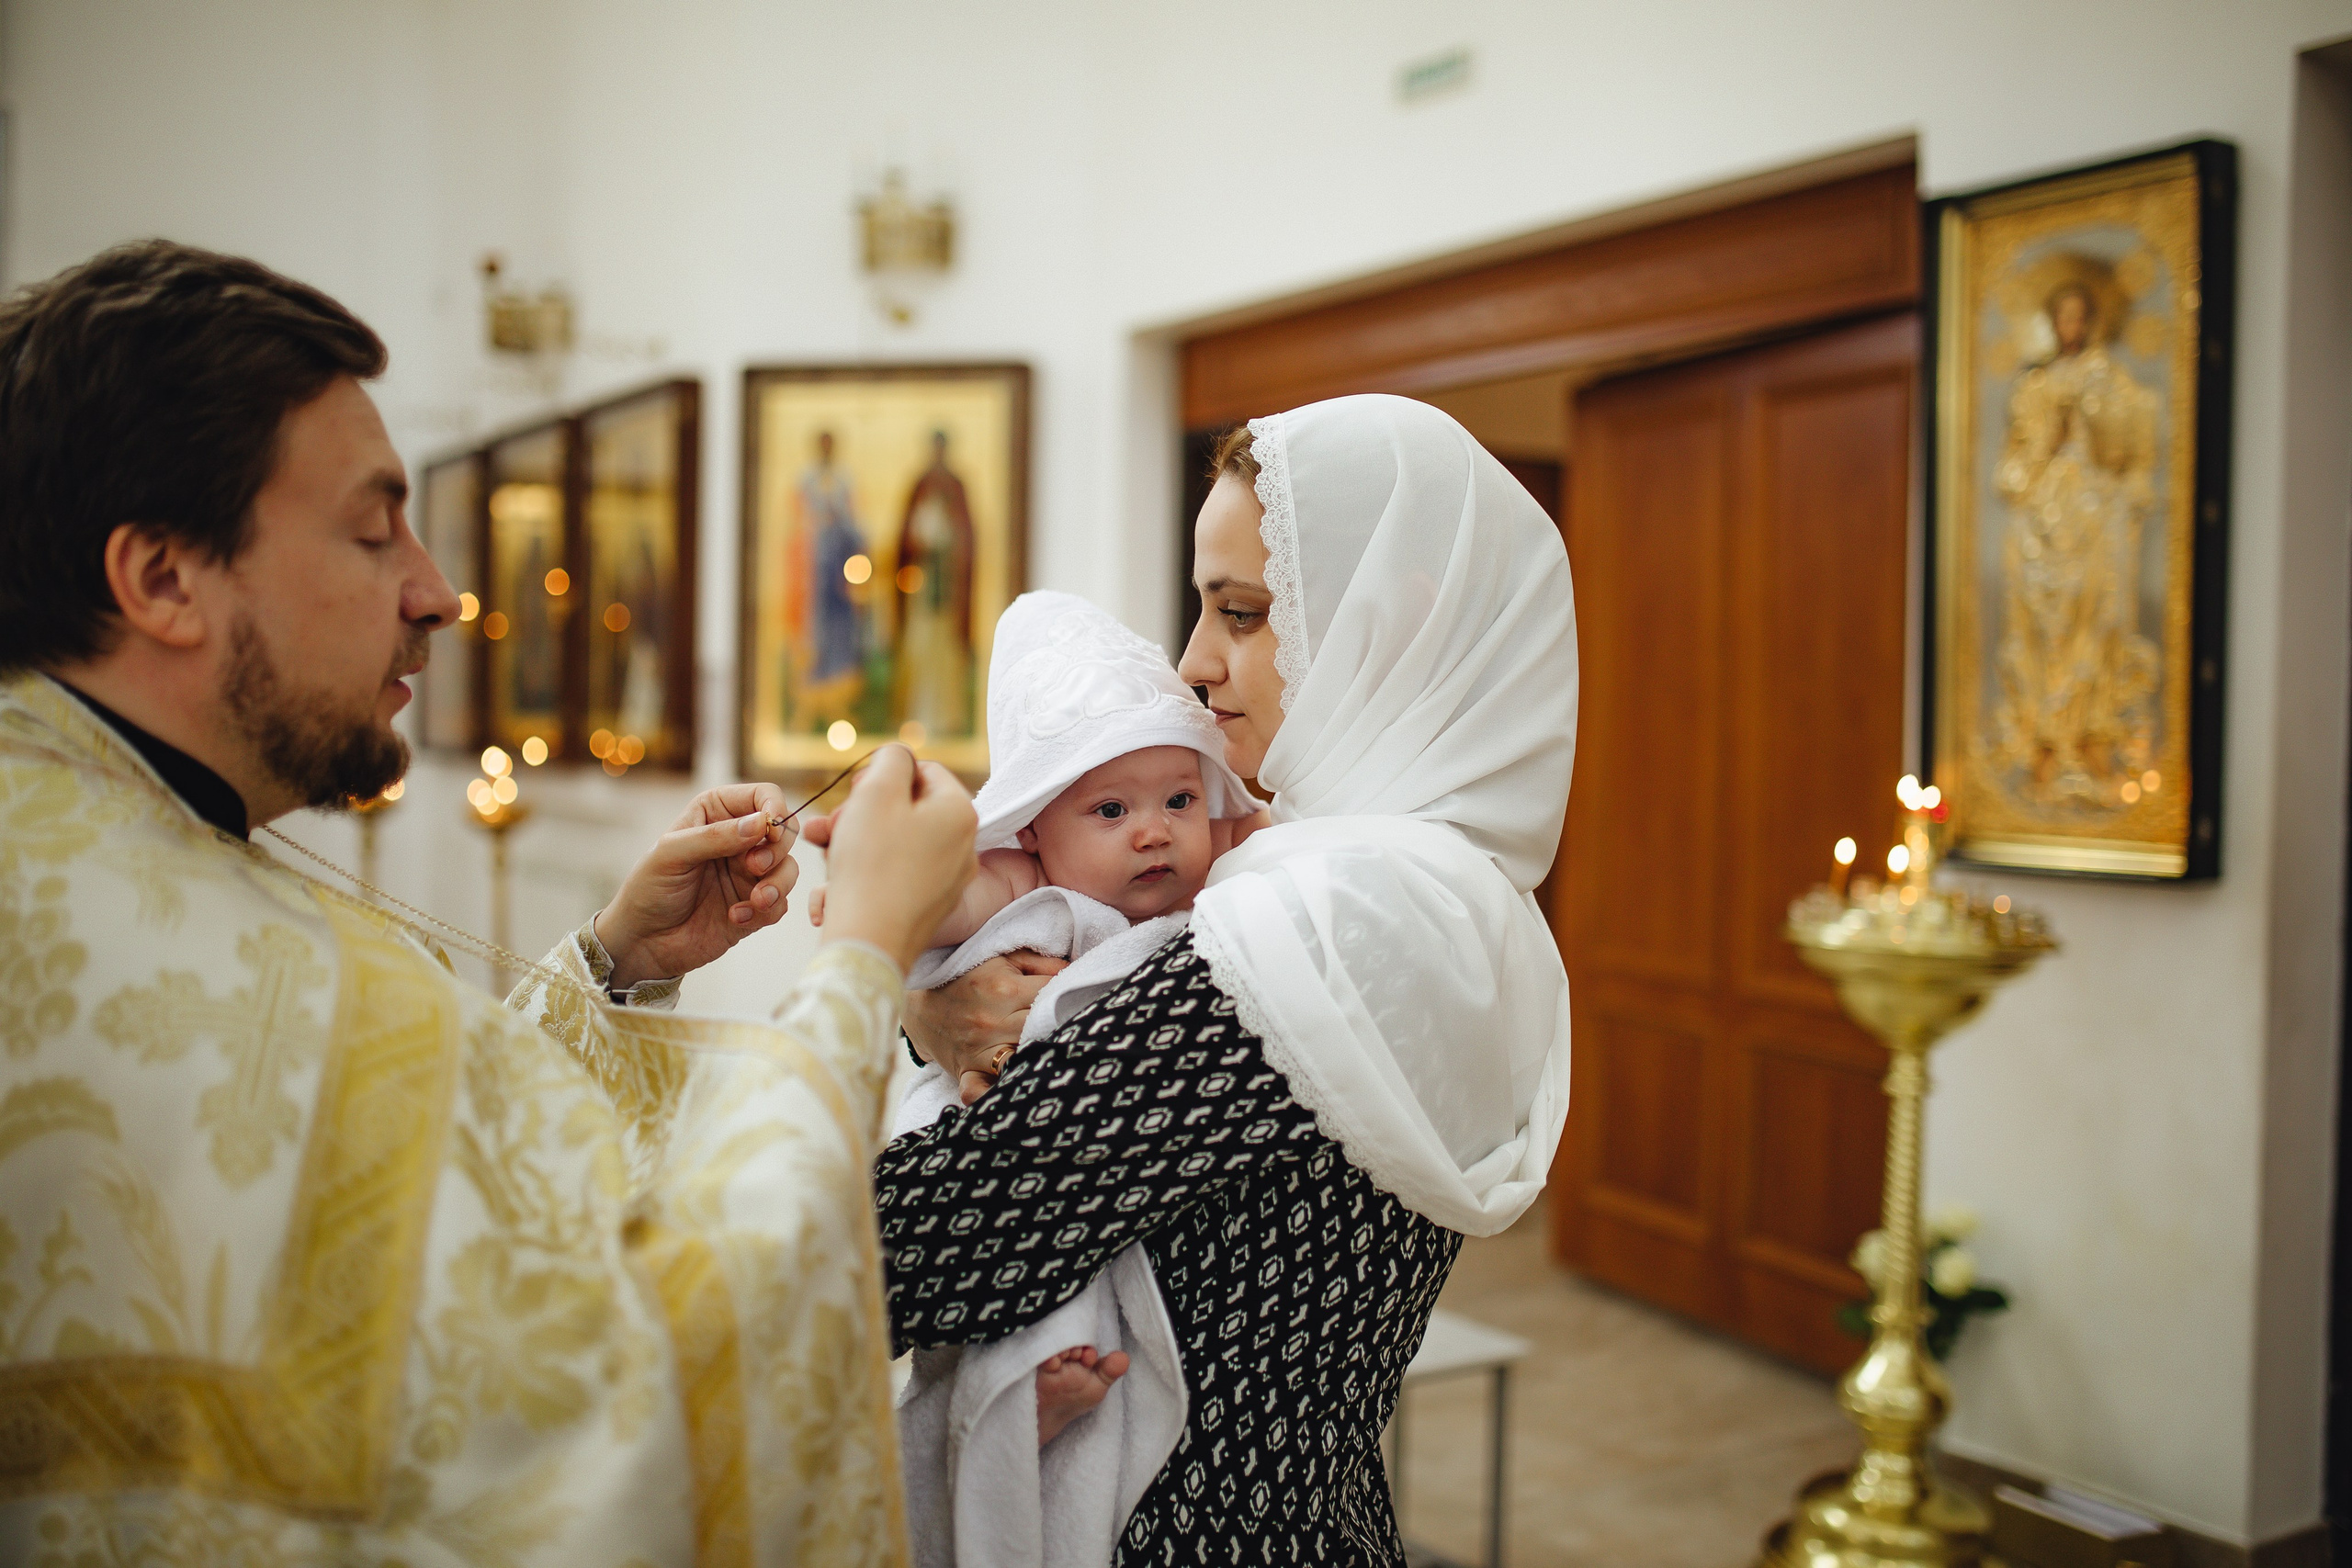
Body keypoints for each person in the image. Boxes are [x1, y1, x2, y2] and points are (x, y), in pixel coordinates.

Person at [0, 240, 976, 1564]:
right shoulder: (214, 963)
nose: (437, 589)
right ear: (163, 577)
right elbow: (639, 1394)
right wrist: (863, 951)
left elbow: (413, 1232)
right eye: (369, 526)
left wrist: (613, 964)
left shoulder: (87, 840)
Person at [866, 394, 1578, 1564]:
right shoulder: (1441, 894)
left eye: (1240, 614)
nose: (1195, 663)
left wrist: (880, 974)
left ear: (1382, 625)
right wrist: (939, 1013)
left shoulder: (1328, 918)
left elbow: (916, 1250)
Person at [852, 591, 1260, 1568]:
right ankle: (992, 1399)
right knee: (1009, 1275)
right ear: (1034, 828)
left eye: (1176, 801)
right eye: (1110, 811)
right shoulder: (1027, 884)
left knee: (1092, 1277)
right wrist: (878, 888)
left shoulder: (1221, 884)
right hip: (987, 1135)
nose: (1154, 832)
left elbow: (1266, 835)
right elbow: (941, 906)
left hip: (1093, 1172)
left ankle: (1019, 1399)